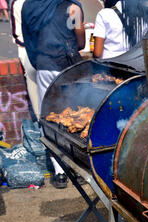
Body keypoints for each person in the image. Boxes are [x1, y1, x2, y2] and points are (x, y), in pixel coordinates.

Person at [22, 0, 85, 189]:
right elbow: (81, 42)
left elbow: (29, 40)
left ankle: (59, 172)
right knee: (76, 114)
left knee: (49, 117)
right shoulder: (73, 8)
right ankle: (80, 168)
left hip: (44, 66)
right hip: (68, 66)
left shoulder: (29, 6)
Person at [10, 0, 39, 120]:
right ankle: (40, 121)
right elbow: (18, 36)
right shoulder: (18, 3)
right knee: (35, 88)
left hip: (49, 54)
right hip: (30, 53)